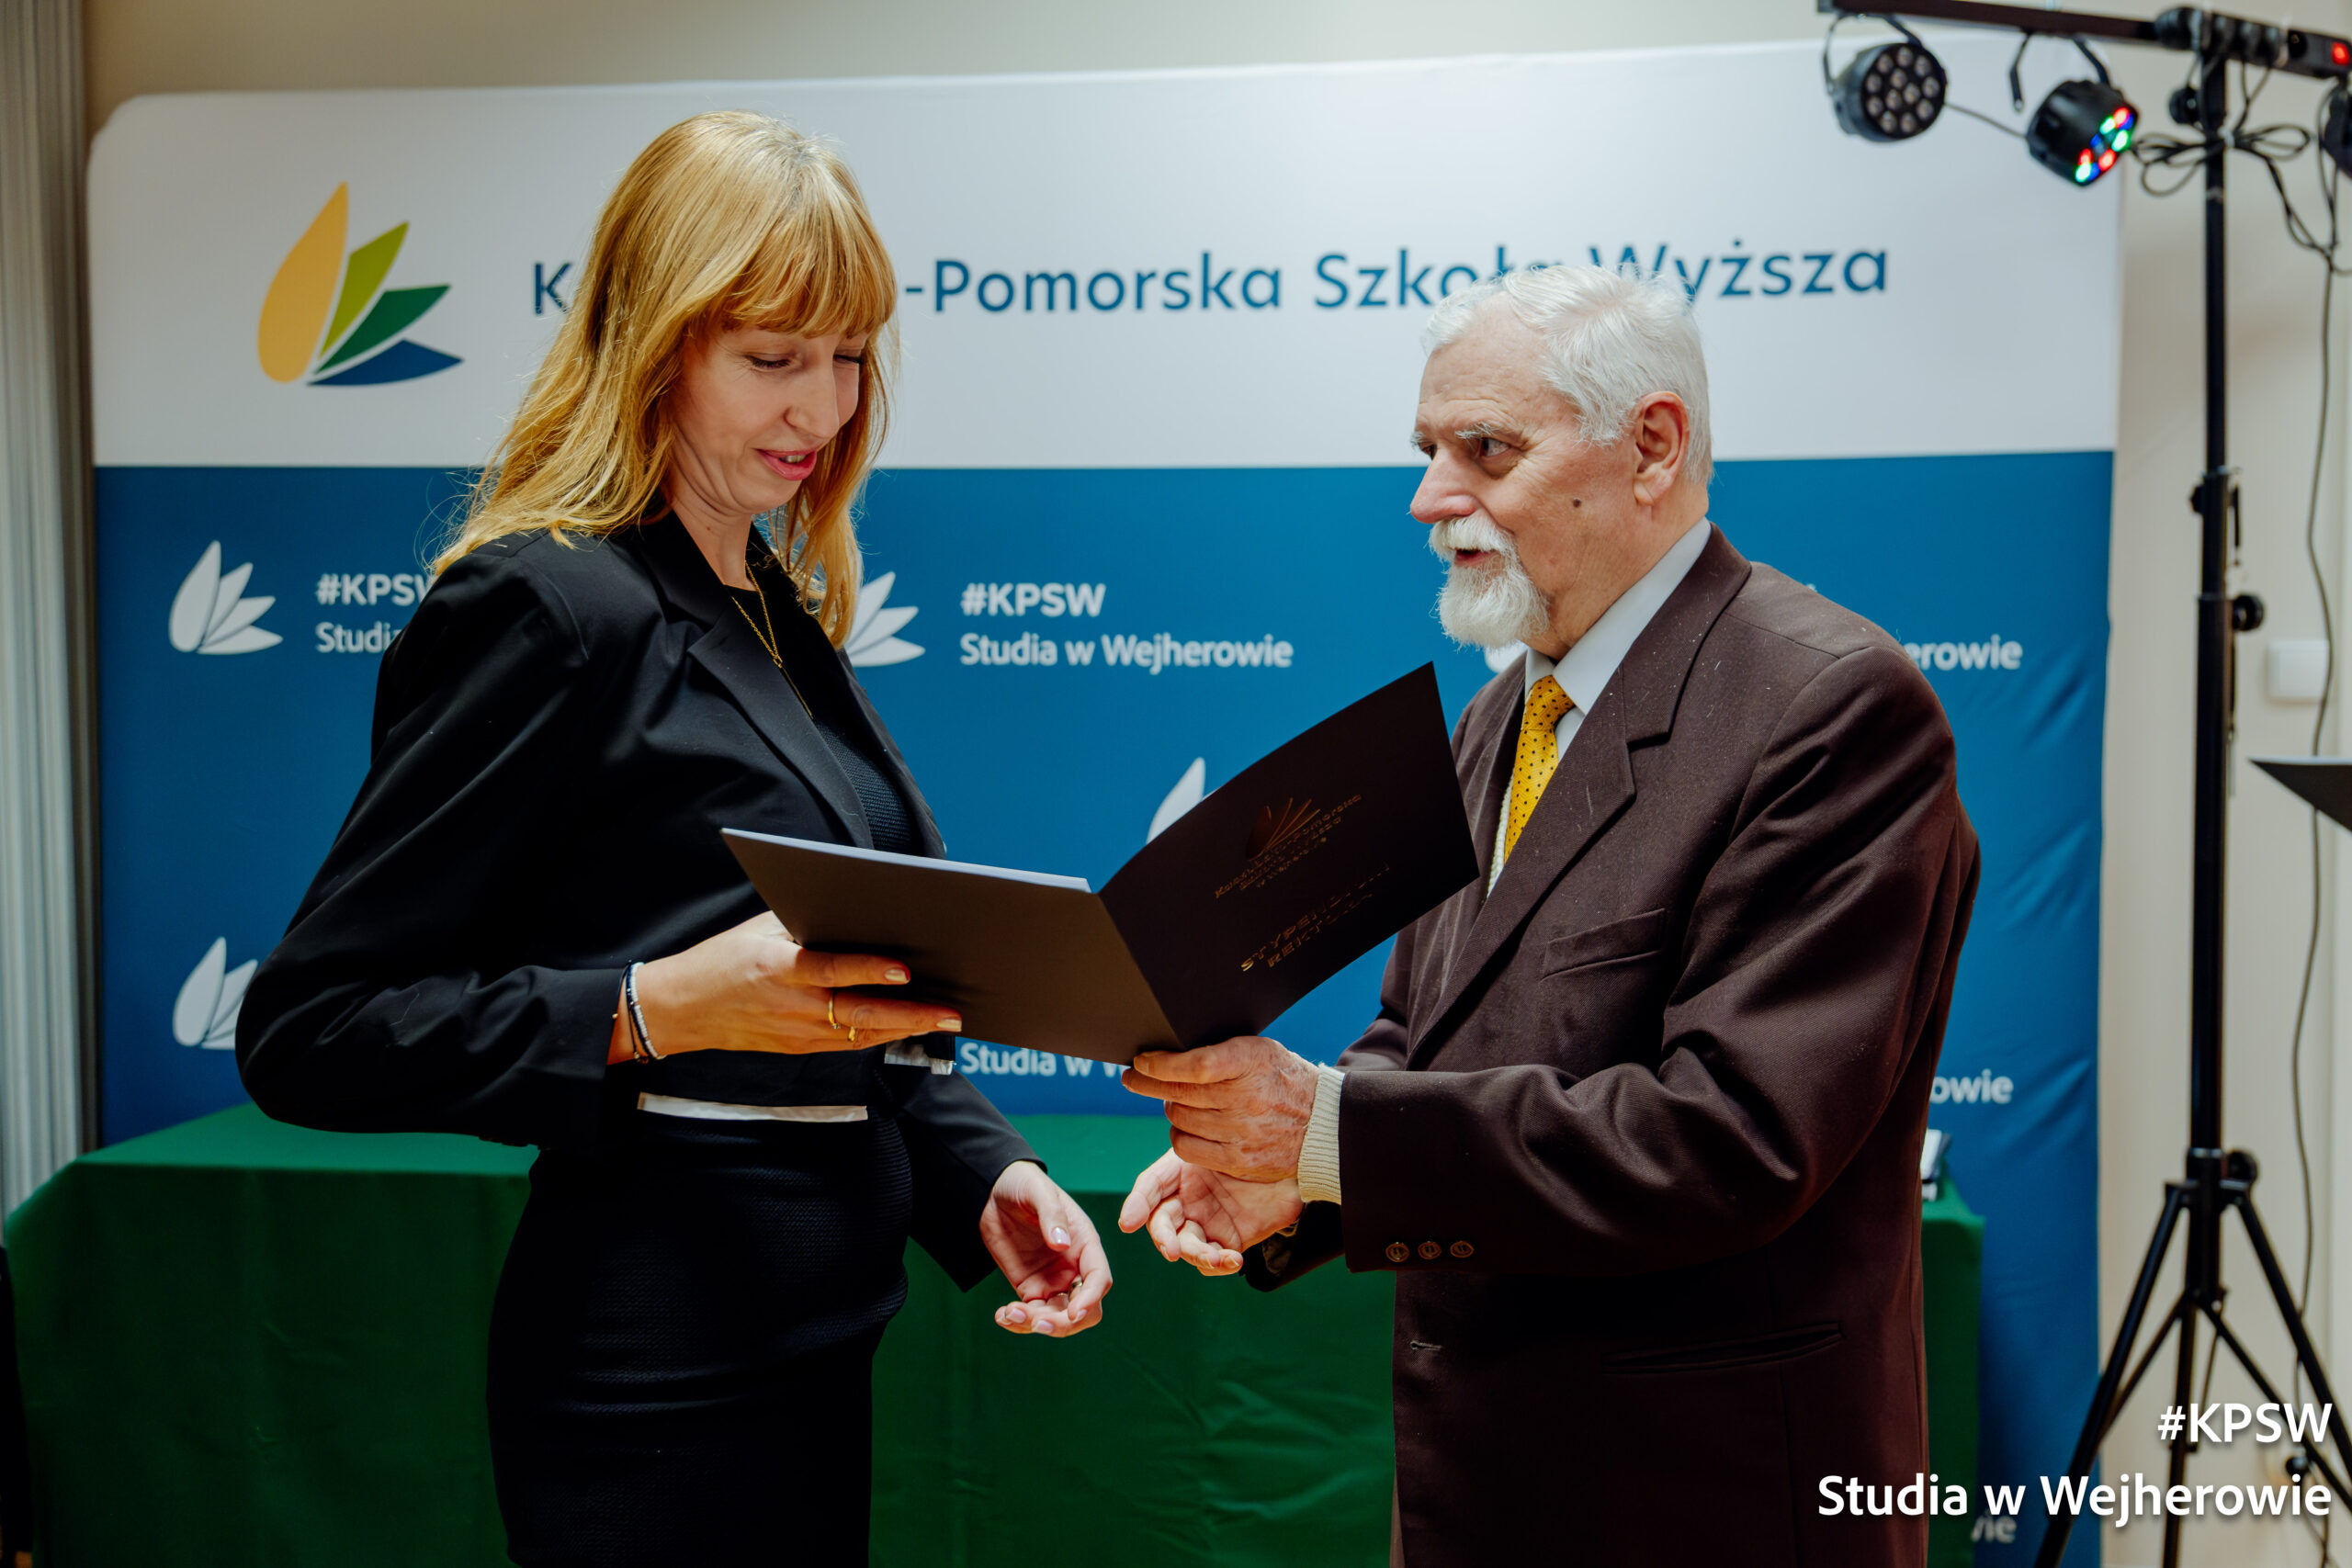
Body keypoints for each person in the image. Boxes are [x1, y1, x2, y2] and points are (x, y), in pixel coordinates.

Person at [237, 111, 1109, 1567]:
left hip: (816, 1342)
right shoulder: (547, 606)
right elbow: (310, 1032)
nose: (821, 406)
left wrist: (983, 1177)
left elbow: (837, 998)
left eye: (849, 356)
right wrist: (650, 1009)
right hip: (651, 1375)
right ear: (655, 342)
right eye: (773, 357)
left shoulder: (768, 600)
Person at [1118, 263, 1977, 1568]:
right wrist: (1290, 1179)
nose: (1429, 498)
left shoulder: (1832, 707)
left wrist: (1328, 1133)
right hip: (1485, 1491)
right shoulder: (1497, 717)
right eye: (1427, 451)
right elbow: (1421, 1039)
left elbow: (1732, 1136)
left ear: (1652, 447)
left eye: (1486, 450)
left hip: (1707, 1507)